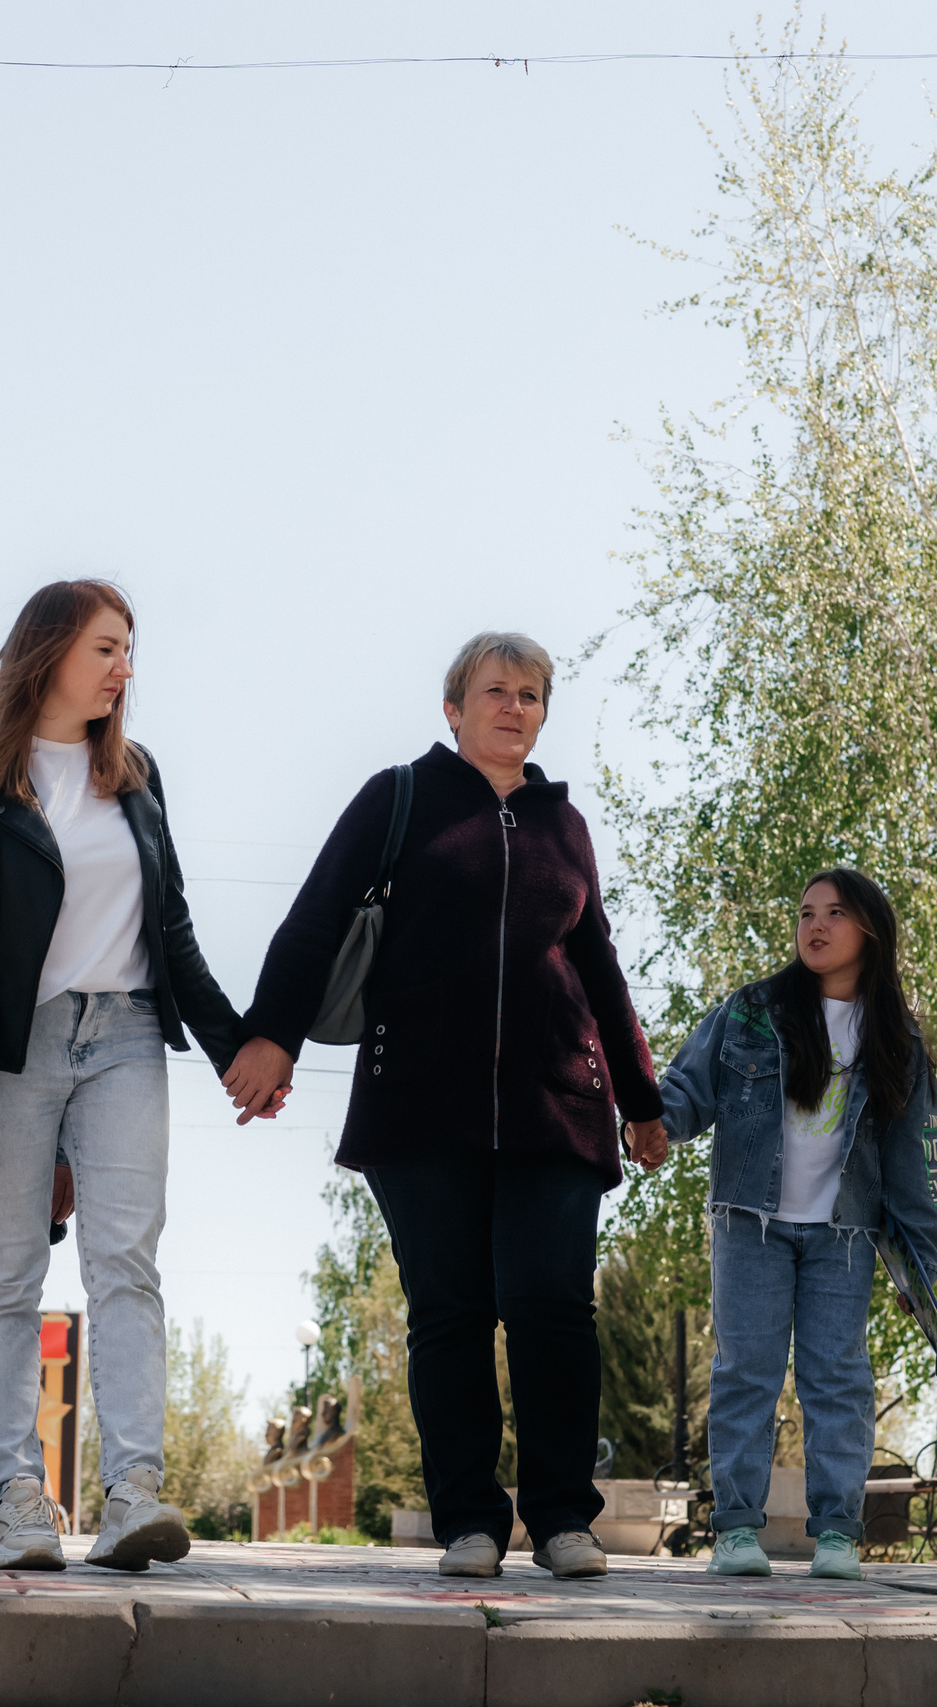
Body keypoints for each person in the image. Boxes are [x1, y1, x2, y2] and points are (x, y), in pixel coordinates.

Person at [223, 631, 667, 1581]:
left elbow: (600, 967)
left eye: (532, 694)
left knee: (553, 1308)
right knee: (451, 1314)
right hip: (422, 1107)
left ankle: (561, 1522)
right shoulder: (402, 798)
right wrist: (271, 1033)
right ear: (453, 708)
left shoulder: (564, 824)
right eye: (495, 690)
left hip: (557, 1107)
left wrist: (641, 1096)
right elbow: (317, 914)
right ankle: (469, 1520)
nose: (514, 706)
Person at [0, 579, 267, 1572]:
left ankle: (131, 1498)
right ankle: (20, 1502)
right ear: (51, 651)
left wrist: (238, 1043)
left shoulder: (135, 775)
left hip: (126, 1036)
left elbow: (173, 927)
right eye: (106, 648)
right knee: (5, 1270)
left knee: (126, 1261)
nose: (124, 668)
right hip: (7, 1049)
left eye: (127, 649)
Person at [654, 867, 937, 1581]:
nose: (814, 925)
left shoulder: (898, 1041)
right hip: (749, 1223)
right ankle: (734, 1532)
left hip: (843, 1234)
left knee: (838, 1378)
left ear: (870, 931)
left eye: (835, 913)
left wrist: (924, 1263)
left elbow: (923, 1161)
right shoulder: (752, 1011)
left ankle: (838, 1536)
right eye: (805, 912)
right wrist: (652, 1127)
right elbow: (687, 1086)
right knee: (746, 1372)